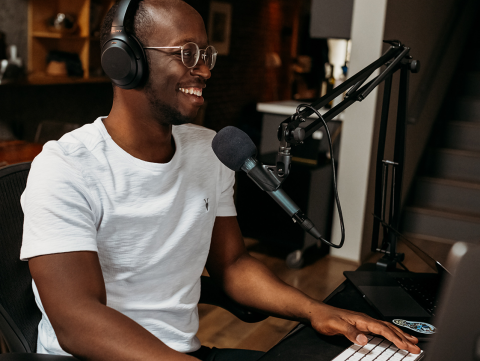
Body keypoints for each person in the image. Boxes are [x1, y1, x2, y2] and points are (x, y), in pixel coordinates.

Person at [20, 1, 421, 360]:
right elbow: (77, 320)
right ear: (125, 61)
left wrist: (316, 309)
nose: (206, 69)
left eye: (206, 53)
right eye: (187, 53)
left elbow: (232, 265)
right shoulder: (65, 167)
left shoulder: (208, 150)